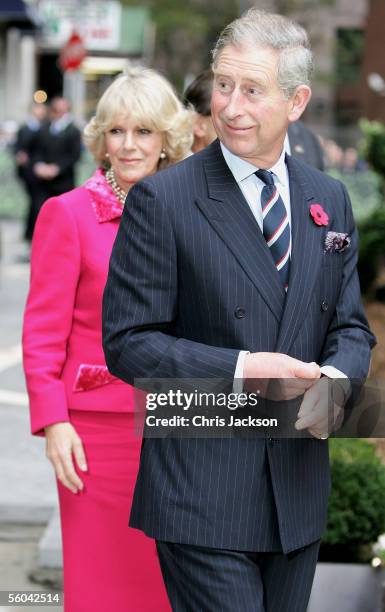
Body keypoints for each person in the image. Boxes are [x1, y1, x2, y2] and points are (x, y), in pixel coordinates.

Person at [103, 10, 375, 612]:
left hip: (297, 490)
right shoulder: (163, 200)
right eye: (223, 84)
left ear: (297, 102)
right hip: (201, 490)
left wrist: (334, 383)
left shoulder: (327, 199)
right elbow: (128, 343)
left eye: (252, 90)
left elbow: (350, 326)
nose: (229, 106)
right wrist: (241, 367)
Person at [23, 67, 192, 612]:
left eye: (143, 131)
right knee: (102, 588)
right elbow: (42, 334)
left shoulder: (196, 216)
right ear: (101, 137)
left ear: (167, 137)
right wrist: (54, 422)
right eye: (117, 131)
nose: (128, 145)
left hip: (180, 426)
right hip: (95, 440)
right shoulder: (67, 214)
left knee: (171, 589)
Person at [185, 67, 324, 169]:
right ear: (197, 124)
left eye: (252, 93)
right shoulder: (172, 185)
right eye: (224, 113)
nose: (235, 113)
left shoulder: (306, 141)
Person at [32, 97, 82, 204]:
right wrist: (39, 165)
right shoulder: (44, 128)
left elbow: (75, 155)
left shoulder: (73, 131)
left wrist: (57, 168)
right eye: (56, 109)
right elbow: (37, 149)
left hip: (64, 181)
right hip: (43, 182)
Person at [14, 102, 48, 241]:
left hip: (40, 172)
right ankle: (31, 232)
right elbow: (18, 147)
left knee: (36, 203)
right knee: (34, 203)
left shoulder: (46, 127)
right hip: (28, 173)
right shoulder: (24, 128)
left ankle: (32, 232)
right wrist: (19, 155)